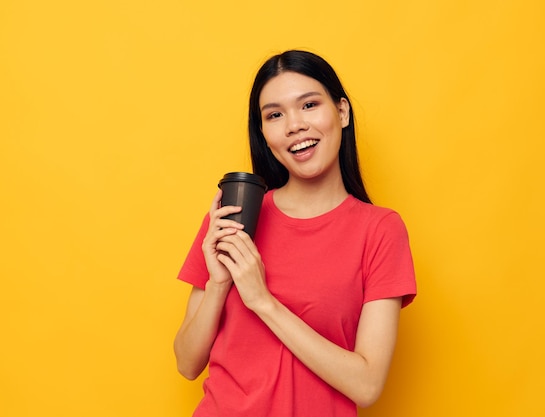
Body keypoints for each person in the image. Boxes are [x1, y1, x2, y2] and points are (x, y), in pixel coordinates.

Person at [174, 50, 417, 417]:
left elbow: (366, 384)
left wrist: (263, 301)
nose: (294, 126)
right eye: (275, 115)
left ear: (342, 112)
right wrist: (220, 284)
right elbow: (187, 363)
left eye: (309, 105)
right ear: (265, 134)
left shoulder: (380, 230)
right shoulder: (234, 216)